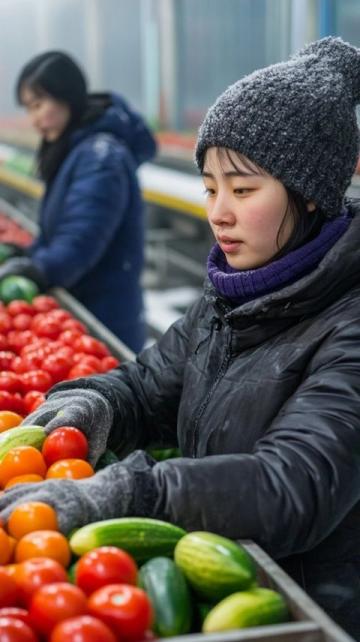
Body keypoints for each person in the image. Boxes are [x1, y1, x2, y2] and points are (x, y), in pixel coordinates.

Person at [1, 36, 360, 638]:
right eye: (210, 186)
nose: (218, 212)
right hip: (229, 565)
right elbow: (149, 383)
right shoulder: (234, 294)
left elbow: (292, 484)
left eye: (243, 190)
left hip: (313, 602)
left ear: (312, 195)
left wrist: (136, 491)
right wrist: (97, 402)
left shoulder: (347, 327)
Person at [0, 51, 157, 352]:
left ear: (67, 96)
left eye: (38, 105)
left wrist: (36, 270)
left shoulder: (101, 157)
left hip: (104, 317)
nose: (33, 120)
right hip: (84, 309)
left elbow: (80, 242)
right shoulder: (76, 150)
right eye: (28, 108)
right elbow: (61, 231)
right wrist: (27, 253)